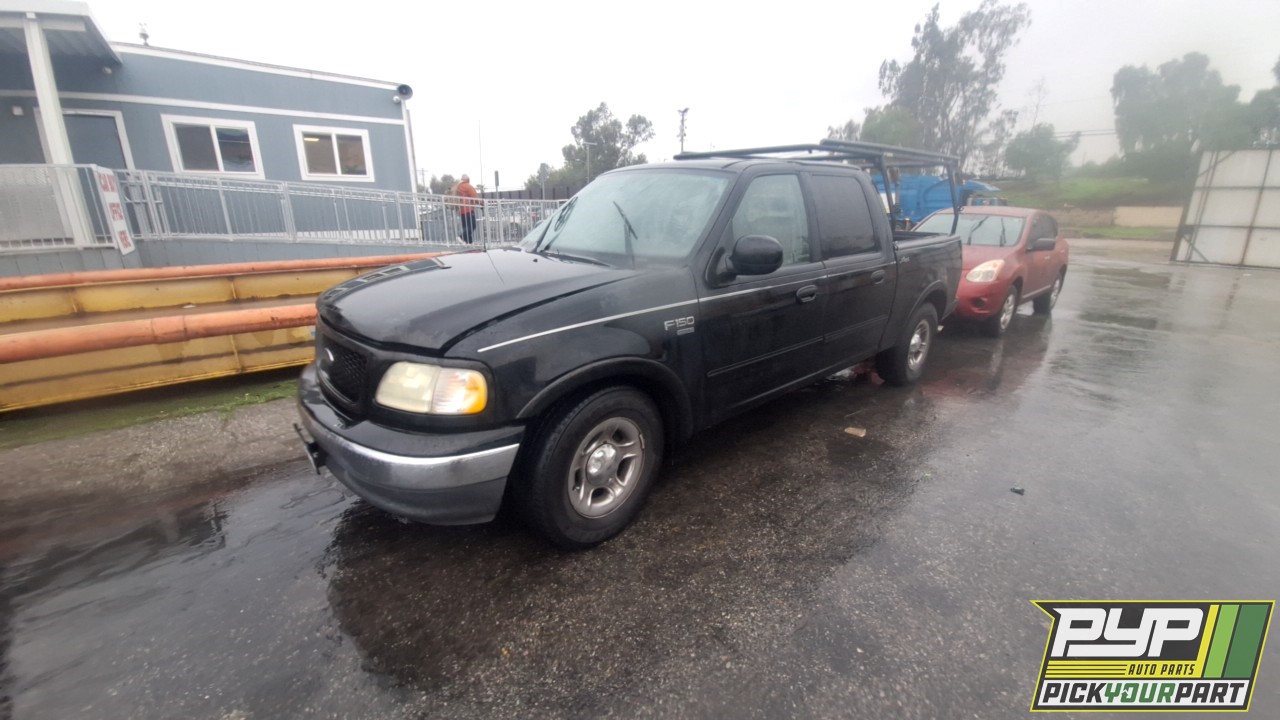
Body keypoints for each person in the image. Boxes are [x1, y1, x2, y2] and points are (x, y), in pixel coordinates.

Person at [455, 174, 480, 244]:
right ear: (468, 180)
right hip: (468, 209)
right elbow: (475, 197)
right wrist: (482, 203)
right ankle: (461, 237)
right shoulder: (468, 186)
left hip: (461, 210)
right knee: (472, 225)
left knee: (466, 227)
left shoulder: (458, 187)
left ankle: (469, 243)